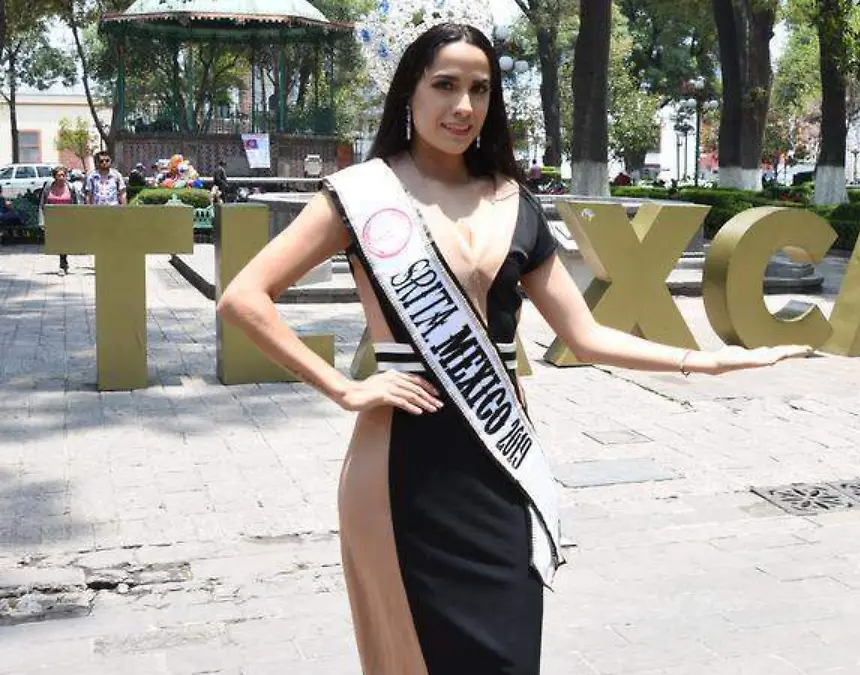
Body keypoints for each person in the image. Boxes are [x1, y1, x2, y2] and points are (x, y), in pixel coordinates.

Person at [216, 22, 811, 675]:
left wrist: (702, 360)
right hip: (401, 465)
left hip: (500, 466)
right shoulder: (362, 195)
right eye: (445, 85)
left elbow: (584, 335)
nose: (463, 106)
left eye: (480, 89)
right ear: (410, 91)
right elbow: (244, 297)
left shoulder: (514, 201)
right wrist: (344, 387)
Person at [40, 166, 84, 275]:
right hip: (53, 219)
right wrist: (42, 221)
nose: (61, 177)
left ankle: (62, 264)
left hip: (67, 219)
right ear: (54, 176)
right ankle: (63, 263)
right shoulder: (48, 187)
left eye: (63, 175)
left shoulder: (71, 187)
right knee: (58, 242)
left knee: (64, 241)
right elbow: (42, 205)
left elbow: (76, 204)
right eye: (59, 175)